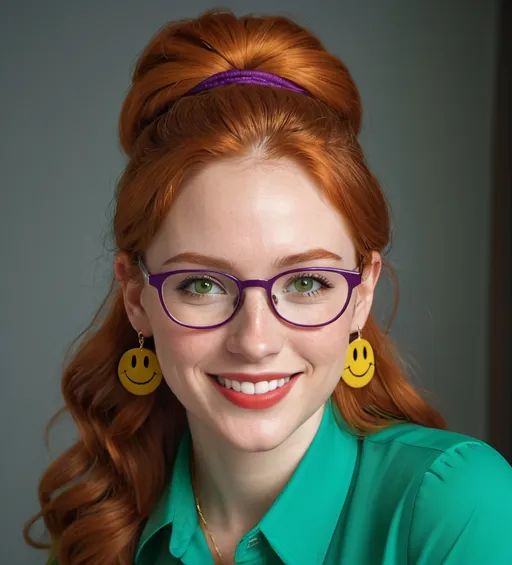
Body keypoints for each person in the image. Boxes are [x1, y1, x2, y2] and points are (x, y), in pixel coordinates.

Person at [25, 8, 512, 565]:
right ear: (137, 298)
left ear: (362, 294)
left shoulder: (456, 507)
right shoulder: (97, 523)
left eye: (306, 281)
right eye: (202, 284)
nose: (255, 342)